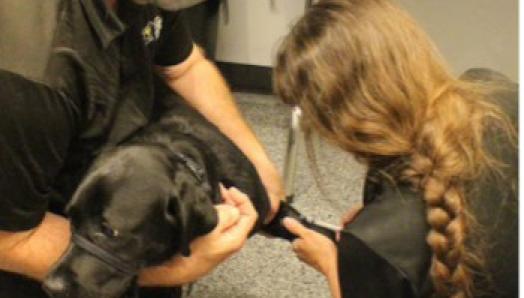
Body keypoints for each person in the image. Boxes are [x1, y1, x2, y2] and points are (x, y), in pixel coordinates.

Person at [0, 0, 283, 297]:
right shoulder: (31, 75)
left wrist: (256, 160)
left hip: (113, 197)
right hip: (34, 236)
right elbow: (10, 242)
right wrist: (179, 267)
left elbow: (185, 68)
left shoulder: (150, 2)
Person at [273, 0, 518, 297]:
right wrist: (381, 223)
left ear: (340, 121)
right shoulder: (500, 95)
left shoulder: (375, 247)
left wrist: (334, 263)